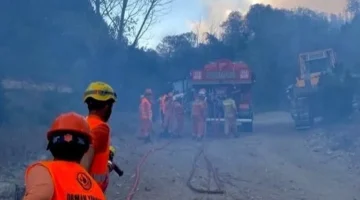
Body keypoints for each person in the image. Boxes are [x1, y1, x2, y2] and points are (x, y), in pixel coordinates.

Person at [23, 112, 105, 200]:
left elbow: (41, 195)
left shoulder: (43, 170)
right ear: (85, 149)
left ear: (51, 145)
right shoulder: (96, 191)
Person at [82, 81, 117, 192]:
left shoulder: (84, 122)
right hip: (92, 191)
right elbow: (83, 167)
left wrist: (108, 164)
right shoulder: (101, 129)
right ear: (107, 106)